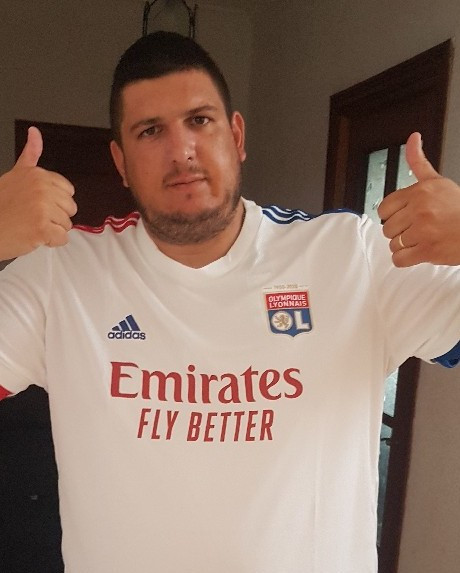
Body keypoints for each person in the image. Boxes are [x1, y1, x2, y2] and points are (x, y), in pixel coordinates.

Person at [0, 31, 459, 573]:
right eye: (151, 131)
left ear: (236, 135)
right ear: (120, 161)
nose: (181, 151)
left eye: (199, 120)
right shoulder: (61, 272)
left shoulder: (351, 256)